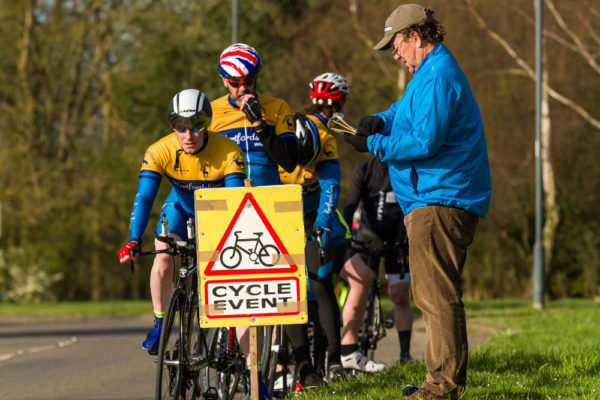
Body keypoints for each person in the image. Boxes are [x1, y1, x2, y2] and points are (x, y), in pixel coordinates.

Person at [343, 4, 491, 400]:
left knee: (435, 295)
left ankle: (441, 388)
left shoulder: (437, 76)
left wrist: (374, 143)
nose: (394, 54)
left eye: (395, 45)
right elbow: (404, 114)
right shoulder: (427, 75)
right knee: (433, 294)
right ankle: (441, 382)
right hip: (434, 197)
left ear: (415, 36)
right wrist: (380, 120)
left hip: (440, 198)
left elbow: (424, 141)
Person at [209, 43, 321, 393]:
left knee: (285, 282)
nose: (242, 89)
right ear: (224, 81)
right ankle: (229, 352)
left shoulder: (276, 107)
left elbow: (289, 160)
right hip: (226, 203)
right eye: (235, 83)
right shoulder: (211, 112)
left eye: (249, 82)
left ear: (257, 79)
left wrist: (260, 123)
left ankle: (303, 364)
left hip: (270, 201)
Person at [117, 89, 247, 354]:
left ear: (207, 123)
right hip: (180, 208)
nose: (188, 136)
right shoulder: (160, 150)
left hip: (218, 212)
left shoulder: (228, 152)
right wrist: (134, 239)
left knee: (228, 269)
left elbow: (235, 203)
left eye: (197, 126)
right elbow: (144, 197)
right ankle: (160, 323)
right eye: (180, 127)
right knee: (164, 256)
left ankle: (244, 355)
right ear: (172, 125)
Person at [279, 72, 349, 381]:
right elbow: (331, 188)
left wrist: (320, 224)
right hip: (291, 213)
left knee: (305, 284)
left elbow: (330, 185)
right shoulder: (301, 134)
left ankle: (317, 363)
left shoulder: (320, 136)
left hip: (308, 215)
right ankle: (323, 361)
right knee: (310, 285)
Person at [339, 157, 412, 373]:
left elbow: (410, 206)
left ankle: (405, 354)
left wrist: (403, 242)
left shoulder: (405, 168)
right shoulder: (364, 170)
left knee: (399, 295)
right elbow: (350, 204)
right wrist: (343, 236)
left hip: (399, 238)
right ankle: (351, 343)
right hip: (368, 235)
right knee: (358, 286)